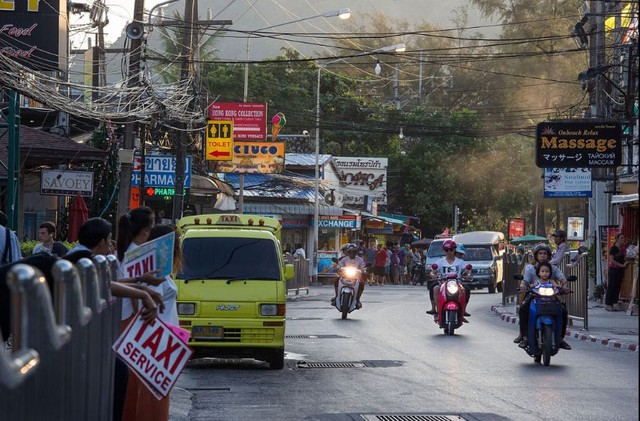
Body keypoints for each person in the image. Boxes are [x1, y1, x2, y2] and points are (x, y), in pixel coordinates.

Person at [64, 217, 164, 421]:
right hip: (73, 335)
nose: (110, 246)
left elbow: (110, 283)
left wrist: (141, 287)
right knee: (118, 372)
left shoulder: (80, 256)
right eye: (109, 240)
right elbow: (106, 285)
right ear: (100, 242)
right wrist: (142, 292)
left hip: (79, 332)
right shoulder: (83, 260)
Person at [514, 243, 571, 350]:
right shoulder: (530, 269)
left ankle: (560, 338)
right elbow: (524, 282)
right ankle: (524, 335)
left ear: (549, 255)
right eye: (540, 253)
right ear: (536, 256)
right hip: (534, 296)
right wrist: (523, 287)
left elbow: (563, 280)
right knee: (523, 309)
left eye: (545, 253)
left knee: (563, 311)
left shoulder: (553, 268)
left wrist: (565, 287)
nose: (543, 256)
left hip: (552, 297)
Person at [427, 240, 471, 320]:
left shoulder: (460, 262)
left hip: (457, 283)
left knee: (466, 289)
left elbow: (467, 269)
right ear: (444, 251)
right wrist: (433, 275)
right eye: (447, 250)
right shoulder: (440, 261)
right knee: (435, 288)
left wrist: (468, 274)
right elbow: (433, 271)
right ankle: (437, 310)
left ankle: (463, 310)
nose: (449, 252)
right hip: (443, 283)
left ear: (454, 250)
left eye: (451, 249)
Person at [330, 243, 367, 309]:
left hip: (356, 277)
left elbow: (363, 267)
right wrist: (337, 268)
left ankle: (358, 300)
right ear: (348, 252)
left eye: (354, 252)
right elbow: (339, 265)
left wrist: (364, 270)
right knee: (336, 281)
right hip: (345, 276)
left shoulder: (360, 259)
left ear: (356, 252)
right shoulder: (344, 259)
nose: (352, 254)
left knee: (362, 284)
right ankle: (337, 296)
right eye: (350, 252)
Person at [605, 233, 631, 311]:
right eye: (622, 238)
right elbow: (611, 260)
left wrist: (627, 260)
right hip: (613, 269)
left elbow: (624, 258)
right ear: (617, 239)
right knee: (611, 286)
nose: (623, 239)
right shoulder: (613, 248)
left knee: (617, 286)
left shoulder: (623, 249)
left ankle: (614, 302)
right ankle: (608, 304)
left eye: (624, 238)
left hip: (620, 270)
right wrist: (621, 265)